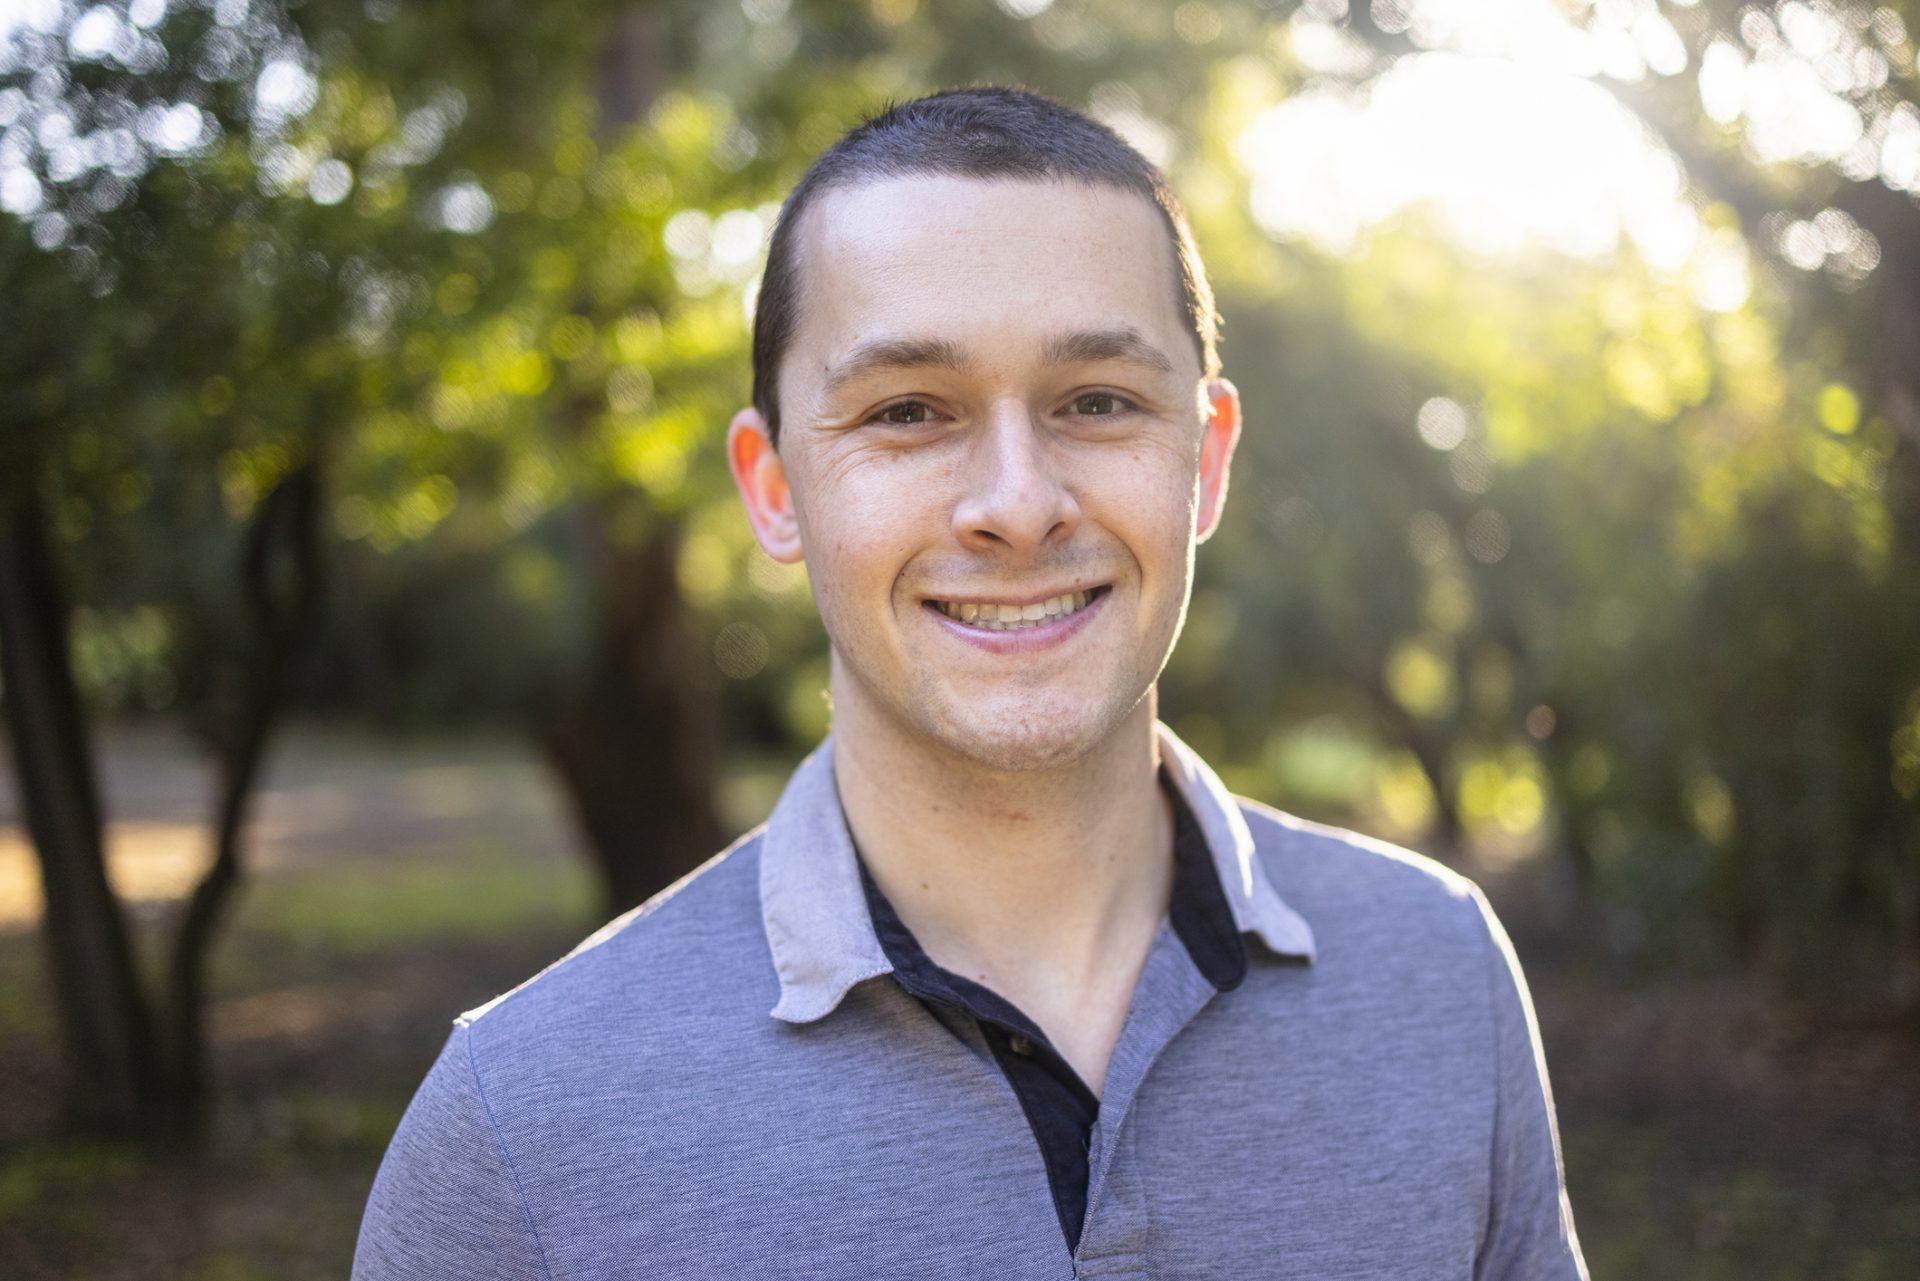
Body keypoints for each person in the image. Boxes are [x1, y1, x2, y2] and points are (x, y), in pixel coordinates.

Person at [352, 86, 1587, 1280]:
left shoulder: (1438, 972)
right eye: (907, 411)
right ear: (776, 488)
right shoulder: (519, 1130)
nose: (1016, 504)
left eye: (1098, 400)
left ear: (1203, 463)